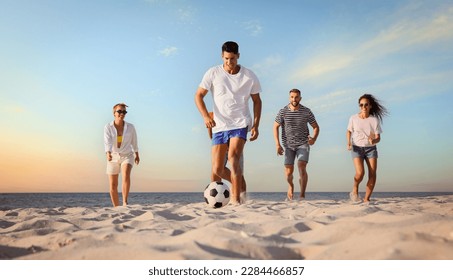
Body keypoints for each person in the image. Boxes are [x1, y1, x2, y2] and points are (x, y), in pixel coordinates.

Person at [195, 41, 262, 204]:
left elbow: (257, 101)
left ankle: (236, 200)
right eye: (226, 59)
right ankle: (238, 181)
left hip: (240, 124)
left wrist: (256, 125)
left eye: (232, 59)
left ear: (238, 56)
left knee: (234, 157)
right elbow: (198, 96)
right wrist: (205, 116)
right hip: (219, 126)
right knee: (217, 169)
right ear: (222, 56)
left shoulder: (249, 76)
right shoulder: (213, 73)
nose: (229, 62)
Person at [273, 89, 320, 200]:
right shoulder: (283, 111)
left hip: (303, 143)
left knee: (301, 166)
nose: (294, 99)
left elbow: (316, 127)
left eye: (296, 97)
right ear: (289, 98)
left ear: (300, 98)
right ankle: (290, 185)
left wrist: (313, 139)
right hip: (288, 146)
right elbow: (275, 126)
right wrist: (277, 144)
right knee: (288, 172)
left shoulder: (306, 111)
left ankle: (302, 195)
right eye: (292, 97)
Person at [346, 94, 388, 203]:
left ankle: (366, 199)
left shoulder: (374, 120)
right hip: (357, 148)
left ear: (370, 106)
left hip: (371, 149)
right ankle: (355, 187)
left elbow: (378, 138)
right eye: (361, 105)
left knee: (372, 174)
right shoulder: (353, 118)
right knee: (360, 173)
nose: (363, 107)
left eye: (366, 105)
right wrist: (348, 143)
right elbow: (349, 131)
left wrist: (373, 141)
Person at [104, 103, 140, 207]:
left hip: (127, 155)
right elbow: (107, 142)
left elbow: (134, 142)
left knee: (126, 175)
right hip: (113, 156)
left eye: (124, 112)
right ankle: (116, 207)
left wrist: (137, 154)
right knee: (113, 185)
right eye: (119, 111)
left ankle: (125, 202)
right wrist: (108, 153)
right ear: (114, 113)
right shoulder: (108, 127)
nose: (122, 113)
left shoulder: (130, 127)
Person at [207, 112, 247, 191]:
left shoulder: (236, 112)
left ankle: (241, 198)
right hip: (221, 145)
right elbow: (211, 135)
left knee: (237, 173)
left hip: (235, 144)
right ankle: (217, 198)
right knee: (215, 172)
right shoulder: (212, 115)